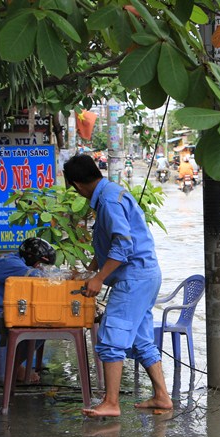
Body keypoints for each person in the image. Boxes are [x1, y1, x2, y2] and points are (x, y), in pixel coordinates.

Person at [62, 154, 172, 418]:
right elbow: (109, 244)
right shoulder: (111, 193)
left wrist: (99, 279)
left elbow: (122, 247)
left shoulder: (109, 201)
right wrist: (89, 271)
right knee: (142, 340)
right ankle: (162, 396)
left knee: (111, 339)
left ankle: (111, 402)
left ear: (76, 185)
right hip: (146, 275)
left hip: (133, 279)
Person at [0, 237, 57, 382]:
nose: (40, 267)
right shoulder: (12, 264)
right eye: (40, 264)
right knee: (40, 326)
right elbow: (44, 279)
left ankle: (15, 367)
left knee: (37, 321)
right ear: (31, 258)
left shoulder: (13, 260)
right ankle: (13, 369)